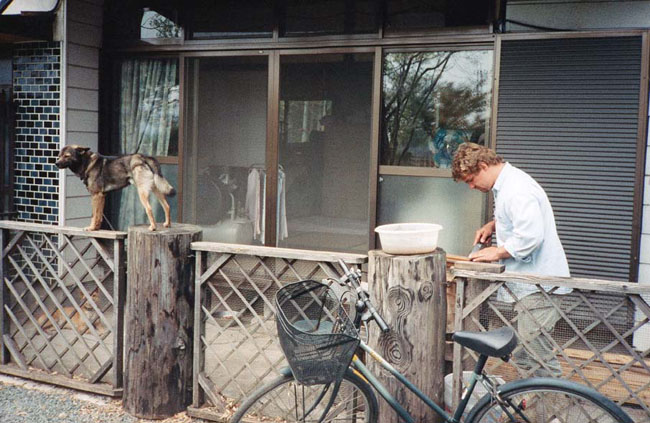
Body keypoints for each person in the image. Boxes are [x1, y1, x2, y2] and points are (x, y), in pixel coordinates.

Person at [451, 142, 571, 378]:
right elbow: (520, 218)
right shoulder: (507, 185)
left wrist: (496, 252)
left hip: (541, 286)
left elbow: (531, 236)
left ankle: (554, 413)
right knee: (526, 355)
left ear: (483, 166)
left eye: (470, 180)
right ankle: (538, 408)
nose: (472, 186)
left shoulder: (516, 189)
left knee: (538, 359)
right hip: (533, 287)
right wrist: (493, 225)